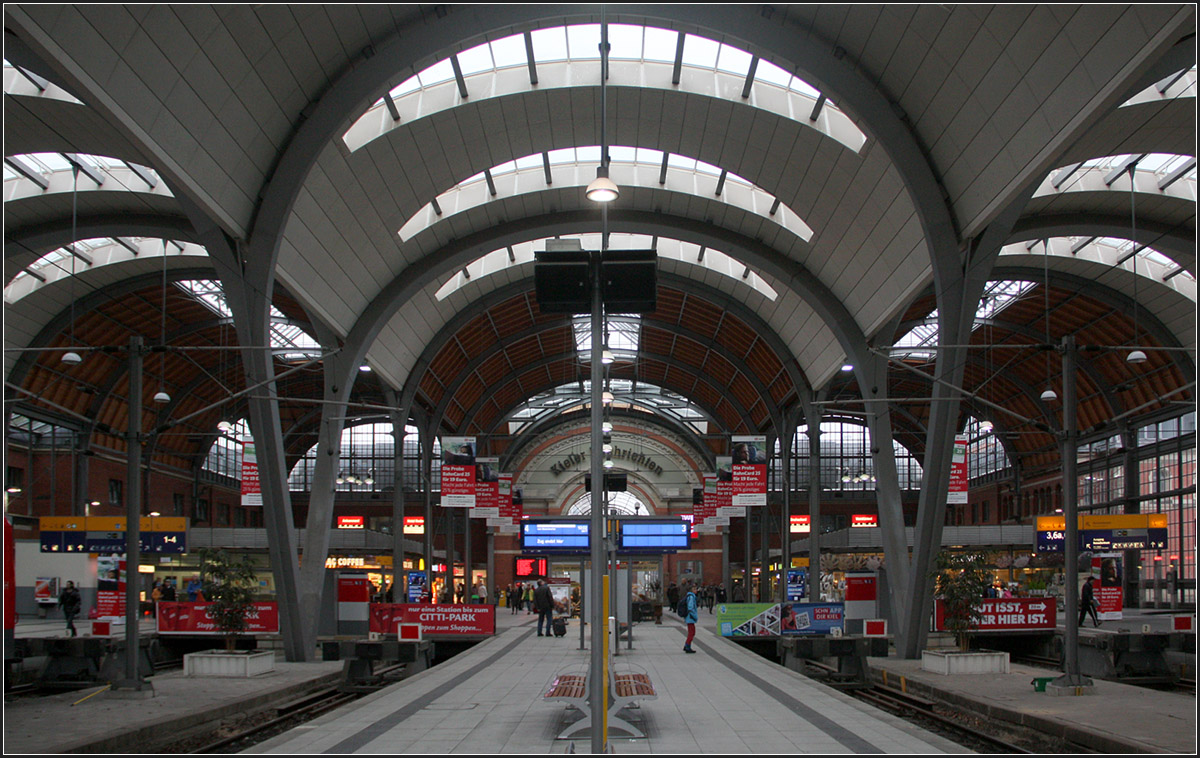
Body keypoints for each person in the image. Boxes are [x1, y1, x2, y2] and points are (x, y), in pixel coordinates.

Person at [682, 580, 699, 653]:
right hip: (690, 617)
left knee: (691, 632)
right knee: (692, 632)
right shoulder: (691, 597)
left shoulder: (690, 596)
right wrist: (694, 616)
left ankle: (687, 645)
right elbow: (690, 607)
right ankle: (687, 646)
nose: (696, 590)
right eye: (695, 589)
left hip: (689, 617)